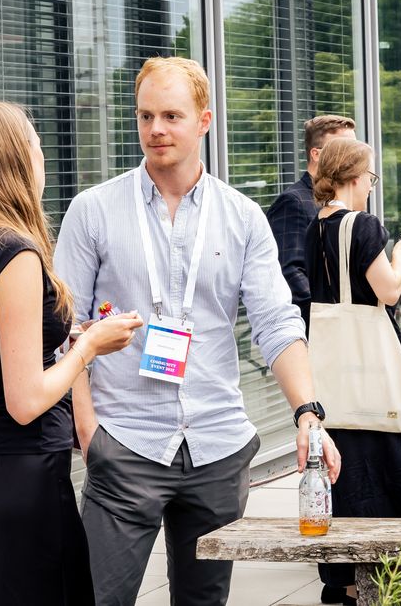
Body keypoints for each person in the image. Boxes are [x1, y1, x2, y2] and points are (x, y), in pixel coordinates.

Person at [54, 56, 340, 606]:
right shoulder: (93, 211)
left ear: (204, 120)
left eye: (171, 115)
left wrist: (307, 412)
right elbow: (66, 330)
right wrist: (90, 434)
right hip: (125, 441)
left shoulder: (242, 217)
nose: (156, 129)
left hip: (217, 444)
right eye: (144, 116)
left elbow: (277, 323)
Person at [0, 100, 143, 606]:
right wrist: (88, 345)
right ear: (18, 160)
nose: (43, 157)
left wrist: (50, 349)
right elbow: (24, 401)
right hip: (24, 479)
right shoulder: (16, 253)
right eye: (37, 146)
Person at [305, 137, 401, 605]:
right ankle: (391, 580)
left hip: (334, 379)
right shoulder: (362, 224)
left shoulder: (316, 223)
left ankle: (343, 582)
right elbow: (386, 291)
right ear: (353, 176)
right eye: (370, 176)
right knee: (387, 471)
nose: (370, 185)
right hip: (372, 374)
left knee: (347, 477)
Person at [267, 115, 356, 326]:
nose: (354, 157)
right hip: (318, 330)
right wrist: (329, 319)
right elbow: (290, 272)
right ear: (316, 154)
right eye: (344, 149)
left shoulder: (340, 200)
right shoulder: (293, 201)